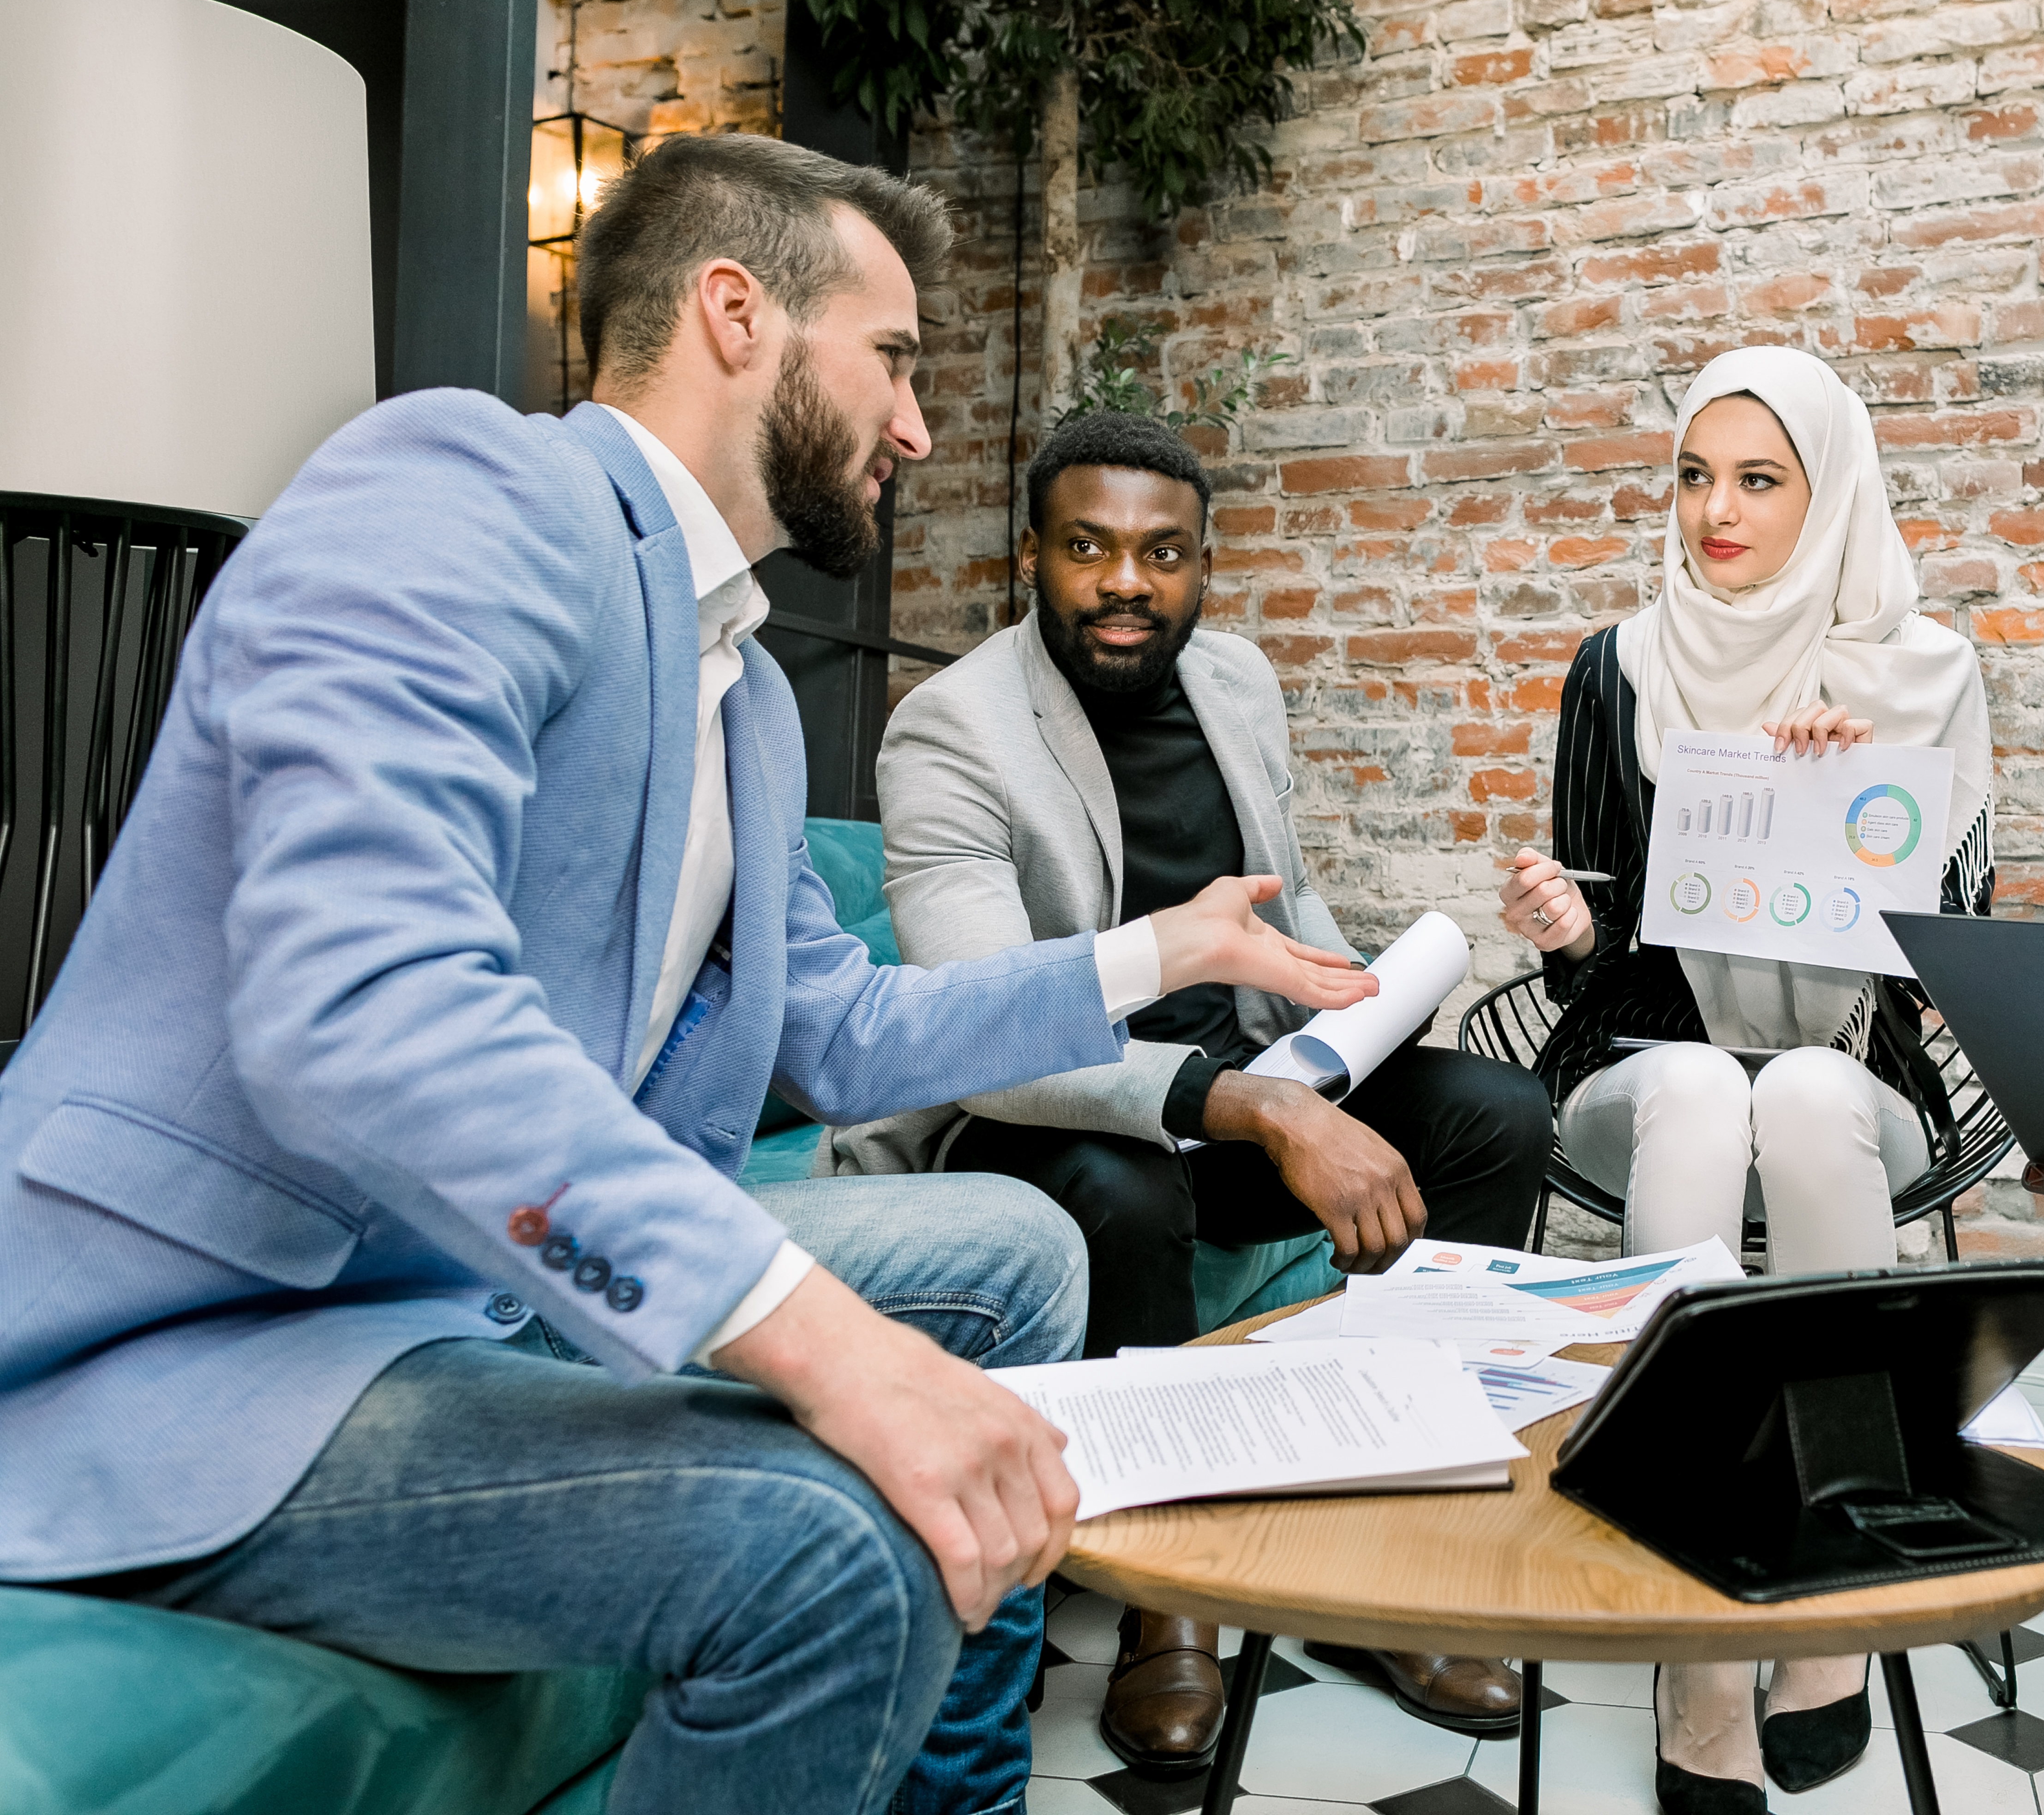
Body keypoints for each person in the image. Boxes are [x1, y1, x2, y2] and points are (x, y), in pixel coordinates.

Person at [0, 133, 1374, 1815]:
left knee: (1014, 1248)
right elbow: (359, 1004)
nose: (920, 429)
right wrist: (827, 1348)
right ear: (739, 313)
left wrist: (1169, 946)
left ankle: (952, 1800)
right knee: (833, 1546)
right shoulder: (459, 489)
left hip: (479, 1283)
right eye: (894, 360)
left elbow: (849, 1031)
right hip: (227, 1346)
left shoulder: (748, 698)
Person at [830, 409, 1553, 1773]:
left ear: (1202, 566)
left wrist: (1360, 1000)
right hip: (1047, 1122)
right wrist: (1263, 1110)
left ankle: (1384, 1544)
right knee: (1116, 1184)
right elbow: (985, 1030)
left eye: (1162, 554)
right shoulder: (952, 732)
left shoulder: (1234, 682)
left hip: (1248, 1080)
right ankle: (1173, 1607)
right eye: (1089, 548)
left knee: (1493, 1117)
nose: (1125, 582)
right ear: (1033, 556)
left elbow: (1292, 899)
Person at [1493, 344, 1996, 1813]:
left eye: (1759, 480)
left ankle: (1829, 1571)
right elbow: (1593, 962)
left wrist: (1853, 808)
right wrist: (1572, 926)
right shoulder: (1622, 664)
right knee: (1719, 1090)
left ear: (1829, 490)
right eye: (1695, 478)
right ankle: (1698, 1633)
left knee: (1805, 1097)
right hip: (1645, 1069)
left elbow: (1954, 964)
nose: (1717, 512)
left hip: (1859, 1074)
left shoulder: (1927, 673)